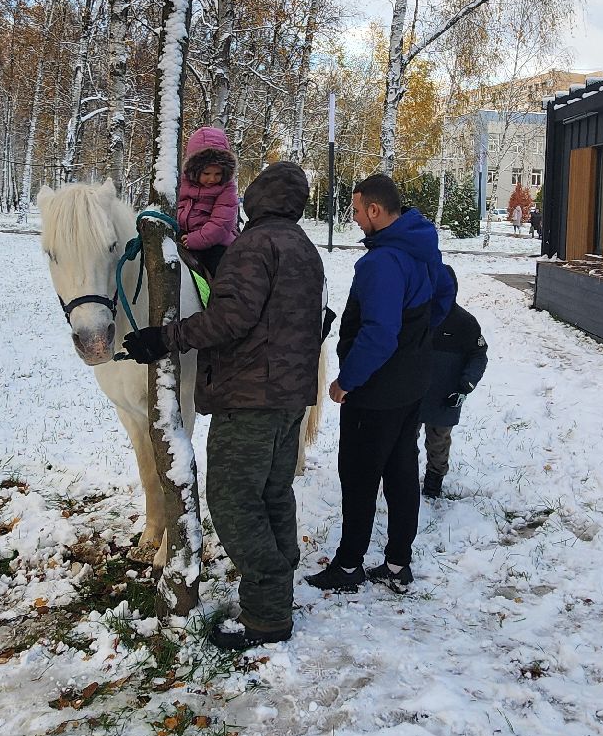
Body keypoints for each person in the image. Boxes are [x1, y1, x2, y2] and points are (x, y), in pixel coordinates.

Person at [120, 161, 325, 652]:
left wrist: (165, 338)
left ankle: (266, 614)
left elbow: (231, 317)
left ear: (258, 197)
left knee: (233, 500)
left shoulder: (254, 246)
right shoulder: (304, 247)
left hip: (251, 398)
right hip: (290, 398)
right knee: (273, 493)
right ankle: (278, 589)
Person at [306, 174, 454, 593]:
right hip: (412, 382)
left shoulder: (382, 262)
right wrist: (417, 339)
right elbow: (445, 293)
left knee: (358, 477)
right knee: (402, 469)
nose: (354, 218)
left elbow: (380, 334)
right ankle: (396, 565)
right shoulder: (421, 244)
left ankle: (348, 567)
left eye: (356, 210)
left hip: (376, 391)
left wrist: (347, 380)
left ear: (374, 209)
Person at [418, 269, 487, 498]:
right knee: (405, 439)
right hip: (412, 391)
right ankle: (403, 476)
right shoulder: (415, 316)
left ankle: (434, 482)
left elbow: (478, 355)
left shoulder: (464, 322)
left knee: (438, 442)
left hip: (445, 396)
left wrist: (466, 385)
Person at [177, 127, 240, 277]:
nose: (212, 179)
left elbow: (221, 223)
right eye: (206, 173)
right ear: (194, 170)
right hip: (183, 235)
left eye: (218, 174)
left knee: (222, 272)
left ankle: (222, 291)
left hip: (216, 242)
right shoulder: (181, 183)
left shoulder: (227, 188)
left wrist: (197, 239)